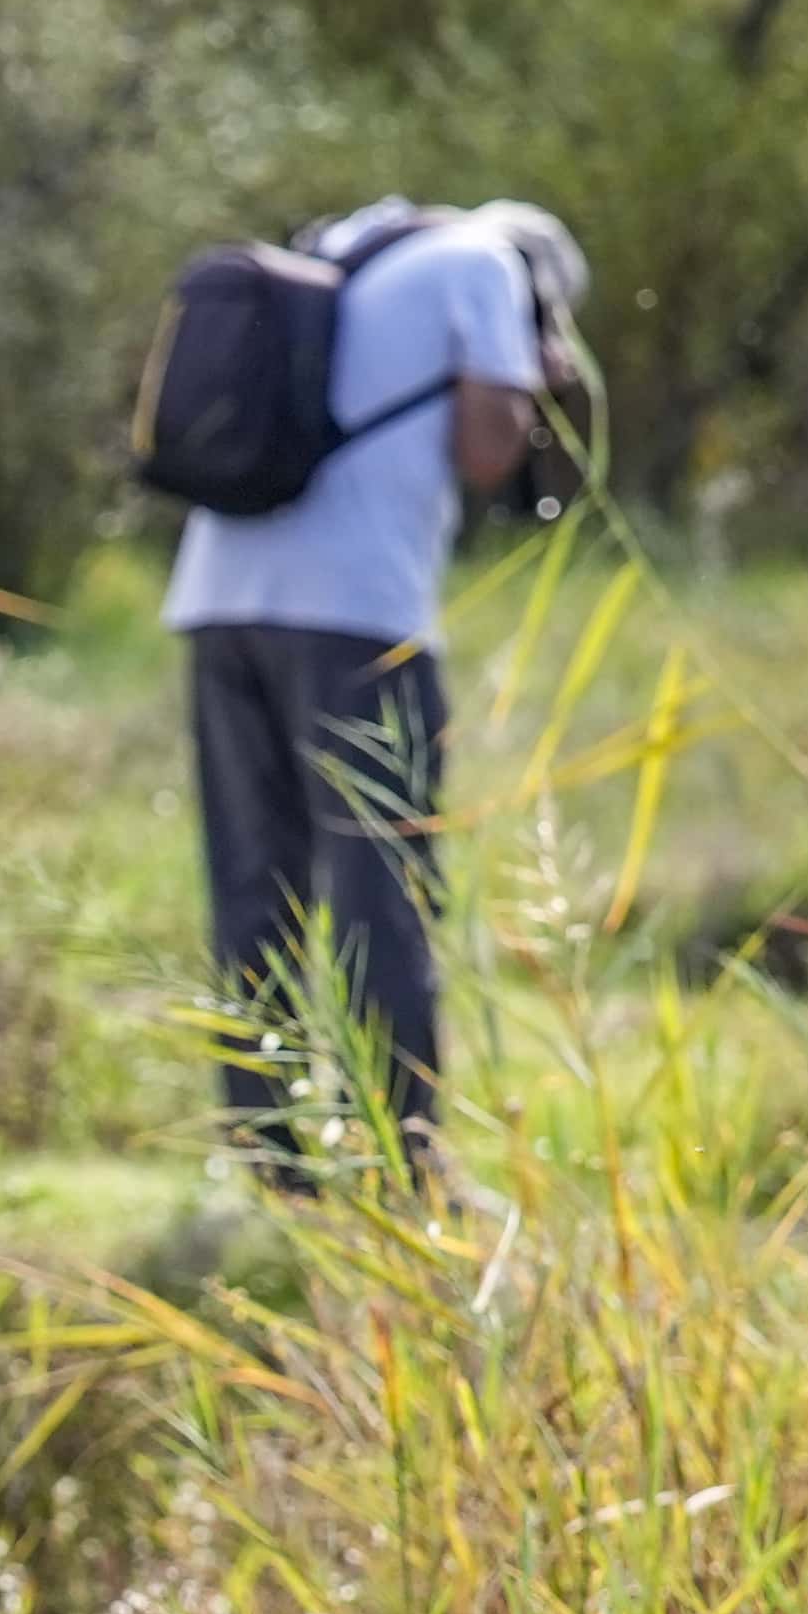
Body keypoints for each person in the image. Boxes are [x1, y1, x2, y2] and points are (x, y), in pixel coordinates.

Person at [161, 196, 586, 1177]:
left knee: (250, 884)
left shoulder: (346, 245)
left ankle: (267, 1156)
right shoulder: (484, 265)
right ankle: (401, 1158)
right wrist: (531, 390)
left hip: (216, 601)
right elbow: (488, 450)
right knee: (378, 886)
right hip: (353, 615)